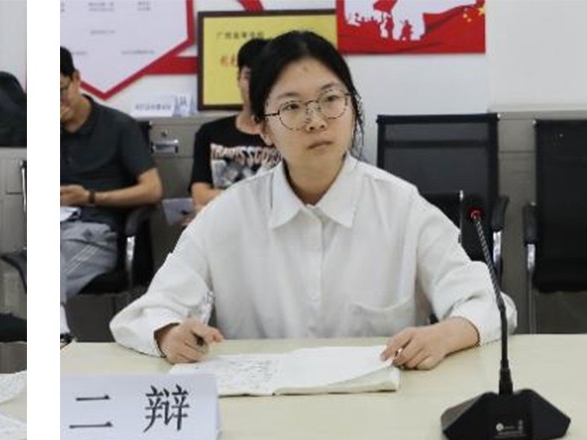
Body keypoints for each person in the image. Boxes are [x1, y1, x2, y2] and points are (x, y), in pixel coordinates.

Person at [109, 31, 516, 370]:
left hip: (378, 413)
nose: (316, 120)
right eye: (291, 107)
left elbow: (490, 304)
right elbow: (151, 311)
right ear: (263, 129)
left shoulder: (401, 207)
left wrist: (445, 334)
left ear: (352, 107)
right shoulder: (228, 215)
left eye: (330, 99)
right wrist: (169, 334)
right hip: (264, 413)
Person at [61, 46, 163, 299]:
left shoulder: (118, 126)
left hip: (95, 232)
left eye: (60, 91)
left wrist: (90, 197)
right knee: (20, 272)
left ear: (76, 79)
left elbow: (153, 190)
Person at [190, 38, 283, 218]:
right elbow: (200, 195)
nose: (255, 85)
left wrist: (223, 198)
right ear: (238, 79)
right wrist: (259, 199)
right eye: (248, 76)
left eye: (262, 77)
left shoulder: (286, 133)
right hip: (222, 224)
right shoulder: (210, 133)